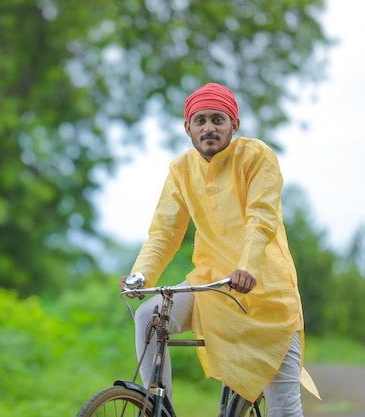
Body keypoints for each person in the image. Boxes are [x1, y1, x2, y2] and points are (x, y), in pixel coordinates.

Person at [119, 83, 319, 417]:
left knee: (283, 406)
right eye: (200, 121)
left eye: (217, 119)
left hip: (267, 294)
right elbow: (165, 231)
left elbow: (261, 219)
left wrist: (247, 268)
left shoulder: (257, 157)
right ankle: (159, 409)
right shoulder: (181, 170)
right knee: (148, 316)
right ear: (188, 128)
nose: (208, 127)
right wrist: (141, 276)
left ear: (234, 125)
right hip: (210, 286)